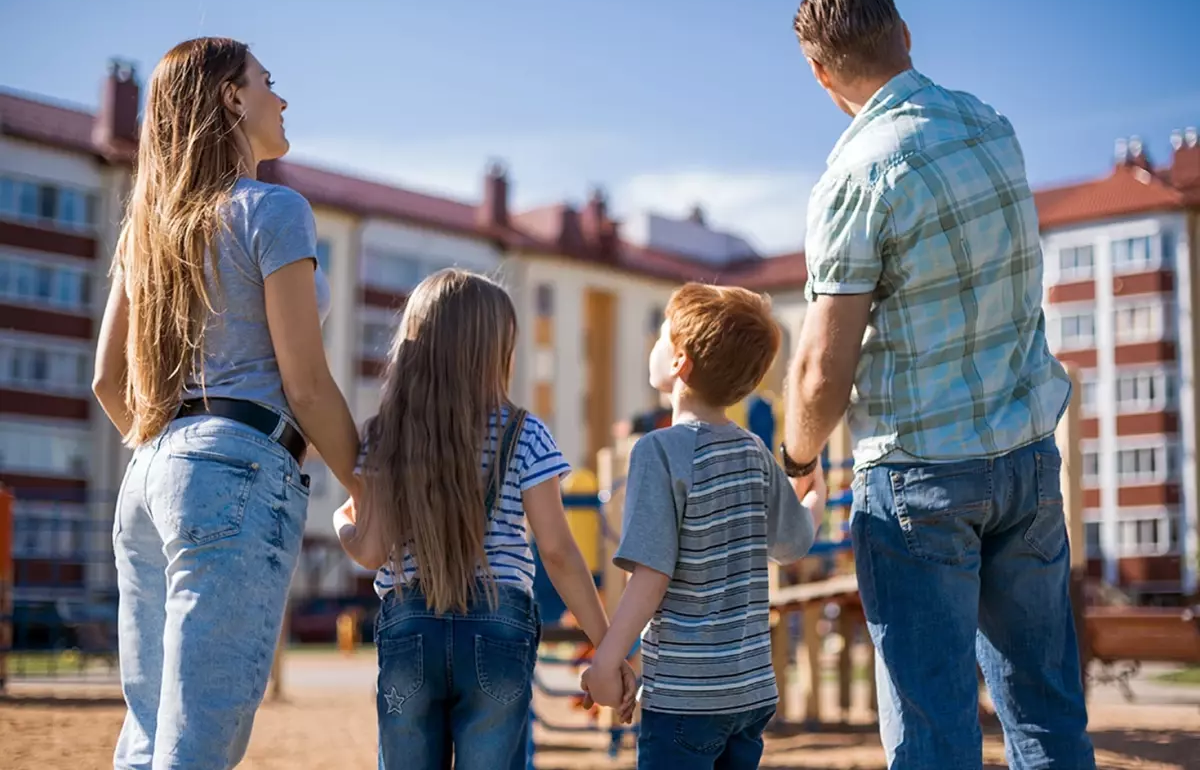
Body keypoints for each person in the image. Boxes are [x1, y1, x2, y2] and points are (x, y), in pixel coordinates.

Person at [782, 0, 1096, 768]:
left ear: (820, 76)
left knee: (931, 729)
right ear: (906, 34)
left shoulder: (855, 176)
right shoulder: (991, 128)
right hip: (1027, 457)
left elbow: (824, 365)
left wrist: (799, 457)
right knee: (1047, 710)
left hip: (920, 473)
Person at [92, 38, 362, 768]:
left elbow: (109, 385)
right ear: (232, 99)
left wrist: (176, 454)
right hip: (237, 473)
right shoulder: (274, 210)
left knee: (146, 736)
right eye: (268, 82)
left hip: (148, 478)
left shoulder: (147, 229)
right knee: (197, 746)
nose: (282, 96)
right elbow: (306, 385)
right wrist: (371, 486)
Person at [332, 269, 635, 769]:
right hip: (499, 630)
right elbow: (557, 552)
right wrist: (607, 647)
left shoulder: (388, 435)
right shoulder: (525, 433)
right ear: (498, 352)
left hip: (410, 631)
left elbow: (369, 551)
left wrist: (346, 519)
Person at [582, 283, 819, 770]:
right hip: (750, 691)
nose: (654, 344)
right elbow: (794, 543)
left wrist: (609, 659)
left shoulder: (659, 452)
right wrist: (812, 501)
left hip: (688, 699)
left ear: (679, 363)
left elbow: (651, 575)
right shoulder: (754, 452)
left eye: (661, 336)